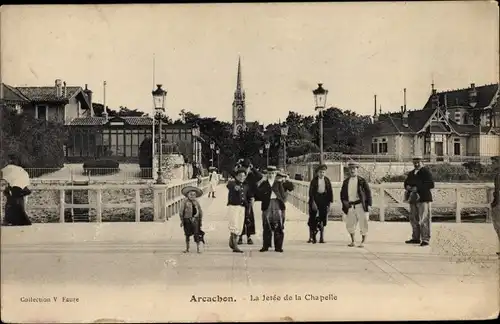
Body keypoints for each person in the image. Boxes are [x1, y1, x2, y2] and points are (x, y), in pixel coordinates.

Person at [256, 165, 295, 253]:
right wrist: (261, 181)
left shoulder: (278, 183)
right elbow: (257, 193)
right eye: (269, 173)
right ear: (267, 174)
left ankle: (278, 246)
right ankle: (266, 246)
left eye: (273, 173)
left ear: (275, 174)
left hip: (277, 204)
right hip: (267, 204)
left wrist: (282, 202)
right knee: (266, 225)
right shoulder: (264, 183)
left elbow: (284, 194)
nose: (271, 175)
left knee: (278, 225)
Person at [403, 156, 435, 247]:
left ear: (422, 162)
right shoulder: (411, 173)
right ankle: (416, 238)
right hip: (413, 199)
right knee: (413, 219)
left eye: (418, 162)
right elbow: (406, 183)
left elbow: (431, 184)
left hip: (423, 198)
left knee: (424, 219)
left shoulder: (426, 172)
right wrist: (407, 187)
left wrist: (418, 188)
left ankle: (425, 239)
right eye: (415, 162)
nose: (416, 164)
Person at [340, 161, 372, 247]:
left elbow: (368, 193)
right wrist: (344, 204)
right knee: (350, 224)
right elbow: (342, 194)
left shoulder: (362, 180)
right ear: (348, 170)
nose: (352, 170)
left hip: (360, 205)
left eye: (354, 168)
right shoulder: (346, 181)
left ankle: (363, 241)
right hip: (350, 205)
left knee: (363, 223)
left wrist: (369, 205)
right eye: (350, 169)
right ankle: (353, 241)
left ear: (357, 169)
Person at [226, 168, 253, 253]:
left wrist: (251, 201)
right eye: (240, 175)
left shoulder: (246, 185)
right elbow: (229, 185)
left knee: (239, 225)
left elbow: (248, 195)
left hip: (242, 207)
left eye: (243, 176)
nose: (242, 177)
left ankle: (232, 242)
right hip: (234, 206)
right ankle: (235, 245)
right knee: (234, 224)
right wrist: (235, 187)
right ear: (236, 176)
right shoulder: (232, 183)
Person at [238, 159, 263, 245]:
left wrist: (253, 169)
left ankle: (249, 236)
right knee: (240, 218)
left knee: (249, 218)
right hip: (240, 199)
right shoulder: (240, 175)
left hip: (249, 198)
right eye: (245, 167)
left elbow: (260, 176)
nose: (246, 170)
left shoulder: (252, 176)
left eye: (247, 168)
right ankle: (240, 236)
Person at [2, 155, 32, 226]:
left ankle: (9, 220)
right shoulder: (20, 172)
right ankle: (14, 220)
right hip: (17, 192)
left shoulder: (9, 169)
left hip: (14, 192)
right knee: (17, 207)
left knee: (11, 206)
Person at [308, 164, 334, 244]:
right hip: (315, 199)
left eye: (323, 172)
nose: (322, 174)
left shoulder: (327, 180)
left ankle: (321, 238)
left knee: (323, 219)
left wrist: (329, 204)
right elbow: (311, 193)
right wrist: (313, 203)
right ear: (317, 173)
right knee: (312, 218)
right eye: (320, 172)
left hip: (324, 200)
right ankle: (311, 237)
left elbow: (330, 192)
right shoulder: (314, 180)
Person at [179, 186, 205, 253]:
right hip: (187, 220)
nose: (192, 196)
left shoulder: (196, 202)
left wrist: (200, 221)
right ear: (187, 195)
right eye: (190, 194)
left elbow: (200, 211)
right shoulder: (184, 201)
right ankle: (187, 248)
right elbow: (181, 212)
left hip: (195, 220)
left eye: (194, 195)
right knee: (187, 234)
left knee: (196, 234)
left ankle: (198, 248)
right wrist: (182, 221)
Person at [490, 156, 500, 256]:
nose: (492, 165)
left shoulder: (498, 176)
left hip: (499, 203)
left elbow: (497, 191)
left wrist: (494, 203)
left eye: (493, 163)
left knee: (498, 226)